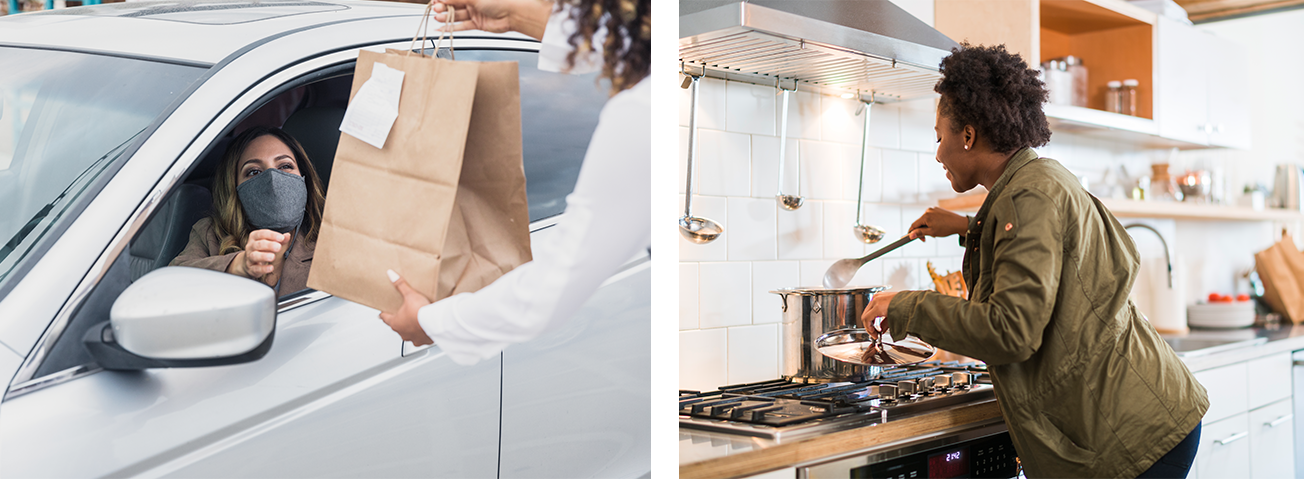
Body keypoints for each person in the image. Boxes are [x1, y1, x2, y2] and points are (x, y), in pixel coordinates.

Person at [861, 43, 1208, 478]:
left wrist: (905, 305)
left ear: (968, 135)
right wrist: (970, 227)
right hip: (1141, 413)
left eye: (939, 136)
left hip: (1131, 431)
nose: (937, 152)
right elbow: (1052, 253)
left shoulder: (1028, 196)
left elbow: (1011, 331)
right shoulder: (1036, 180)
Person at [378, 0, 650, 365]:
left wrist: (431, 322)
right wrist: (516, 16)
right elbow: (618, 44)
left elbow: (551, 290)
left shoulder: (639, 113)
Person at [171, 126, 327, 298]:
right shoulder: (210, 233)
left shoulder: (330, 237)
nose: (272, 180)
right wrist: (236, 265)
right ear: (235, 186)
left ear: (303, 177)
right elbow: (171, 285)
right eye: (254, 171)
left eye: (284, 166)